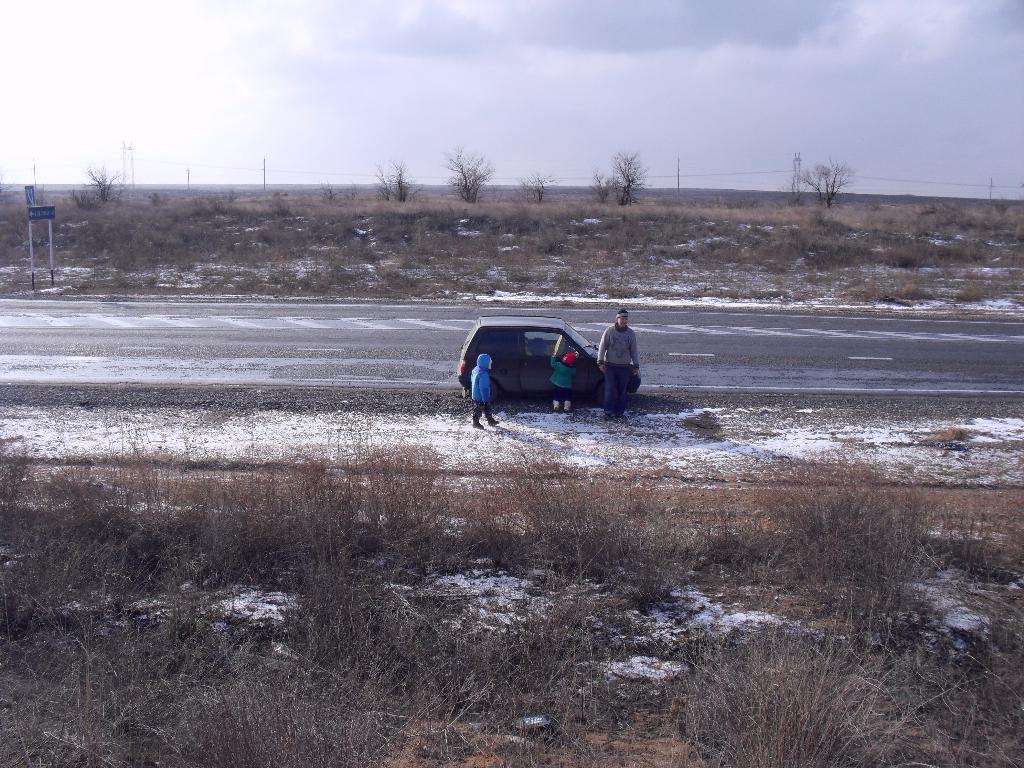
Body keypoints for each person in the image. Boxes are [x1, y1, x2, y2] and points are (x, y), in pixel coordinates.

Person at [597, 308, 639, 419]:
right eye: (622, 318)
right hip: (610, 366)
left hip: (624, 367)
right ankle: (607, 411)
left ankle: (619, 412)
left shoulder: (631, 333)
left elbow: (634, 350)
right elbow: (602, 347)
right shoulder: (609, 331)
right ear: (617, 318)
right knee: (609, 388)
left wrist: (636, 365)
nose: (624, 321)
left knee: (622, 390)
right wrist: (600, 361)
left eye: (626, 318)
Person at [470, 352, 500, 429]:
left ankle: (490, 420)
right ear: (485, 363)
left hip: (476, 393)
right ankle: (475, 422)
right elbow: (484, 388)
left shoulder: (476, 369)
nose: (491, 363)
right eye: (489, 362)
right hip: (481, 396)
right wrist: (485, 398)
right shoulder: (483, 374)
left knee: (487, 407)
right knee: (479, 409)